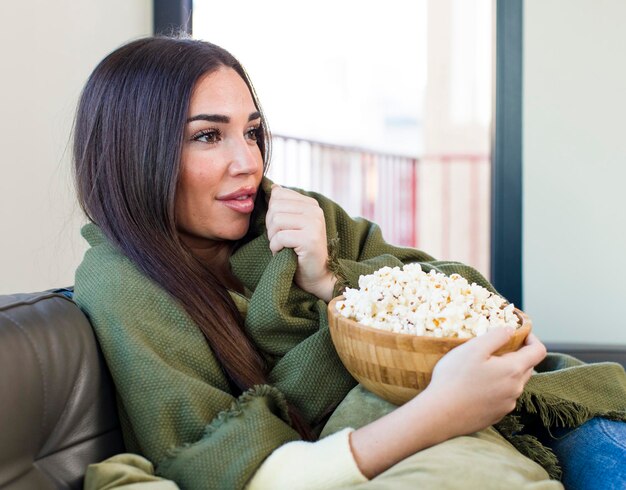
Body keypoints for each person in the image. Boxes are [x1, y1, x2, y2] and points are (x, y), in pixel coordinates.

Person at [72, 36, 626, 490]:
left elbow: (469, 299)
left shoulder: (296, 219)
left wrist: (330, 279)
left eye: (252, 131)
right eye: (208, 136)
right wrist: (442, 410)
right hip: (442, 436)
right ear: (136, 149)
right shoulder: (123, 283)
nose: (248, 161)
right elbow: (226, 470)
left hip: (531, 414)